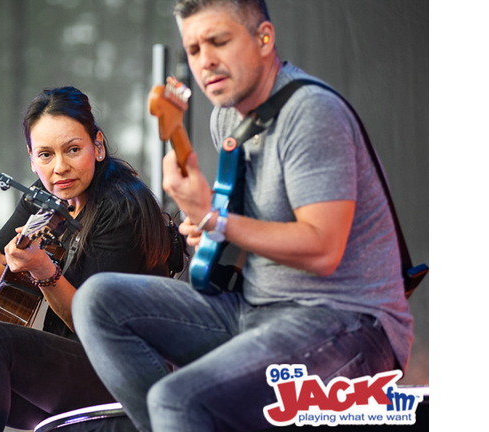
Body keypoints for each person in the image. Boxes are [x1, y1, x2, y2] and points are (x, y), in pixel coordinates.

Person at [71, 1, 415, 431]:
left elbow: (323, 249)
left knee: (176, 399)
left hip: (347, 322)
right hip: (256, 307)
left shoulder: (310, 113)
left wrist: (214, 220)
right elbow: (246, 233)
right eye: (194, 49)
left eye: (219, 41)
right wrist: (205, 233)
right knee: (97, 300)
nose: (205, 60)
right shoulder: (226, 119)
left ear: (263, 38)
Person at [0, 86, 173, 431]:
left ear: (97, 146)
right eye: (46, 155)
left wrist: (42, 270)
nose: (60, 168)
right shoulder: (43, 201)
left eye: (73, 150)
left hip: (125, 372)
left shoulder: (123, 206)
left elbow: (97, 326)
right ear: (32, 159)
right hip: (72, 373)